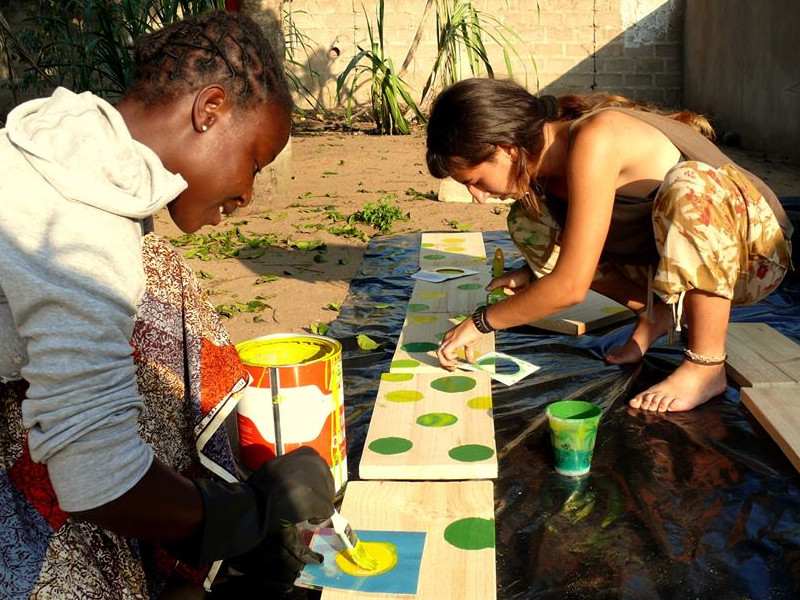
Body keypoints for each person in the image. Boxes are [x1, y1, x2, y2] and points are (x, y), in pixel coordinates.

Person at [0, 10, 335, 599]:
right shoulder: (80, 232)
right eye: (253, 163)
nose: (248, 195)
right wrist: (242, 519)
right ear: (209, 110)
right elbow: (97, 477)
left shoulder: (66, 156)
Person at [426, 77, 793, 413]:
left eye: (475, 180)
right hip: (669, 259)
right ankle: (653, 312)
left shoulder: (596, 138)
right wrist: (533, 272)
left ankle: (706, 366)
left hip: (755, 257)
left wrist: (481, 322)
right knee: (528, 220)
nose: (476, 197)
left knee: (689, 186)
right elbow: (580, 244)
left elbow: (571, 286)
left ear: (505, 149)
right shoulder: (541, 169)